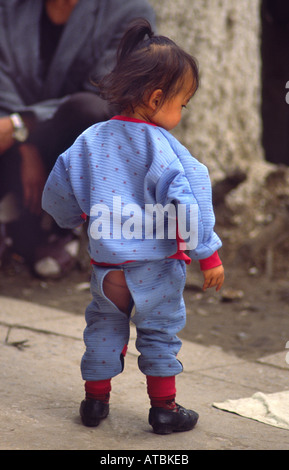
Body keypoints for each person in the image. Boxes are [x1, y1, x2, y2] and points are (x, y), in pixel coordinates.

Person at [42, 18, 225, 434]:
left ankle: (94, 402)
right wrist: (207, 254)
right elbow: (189, 203)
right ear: (157, 98)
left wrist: (72, 218)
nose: (181, 112)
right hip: (156, 268)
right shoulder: (168, 150)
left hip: (108, 270)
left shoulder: (89, 140)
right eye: (182, 103)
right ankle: (164, 409)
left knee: (103, 329)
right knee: (159, 332)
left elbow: (59, 190)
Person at [0, 0, 156, 277]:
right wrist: (22, 139)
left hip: (74, 142)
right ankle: (15, 224)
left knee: (88, 110)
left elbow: (106, 92)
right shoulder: (9, 7)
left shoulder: (129, 13)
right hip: (9, 137)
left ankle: (65, 225)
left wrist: (23, 123)